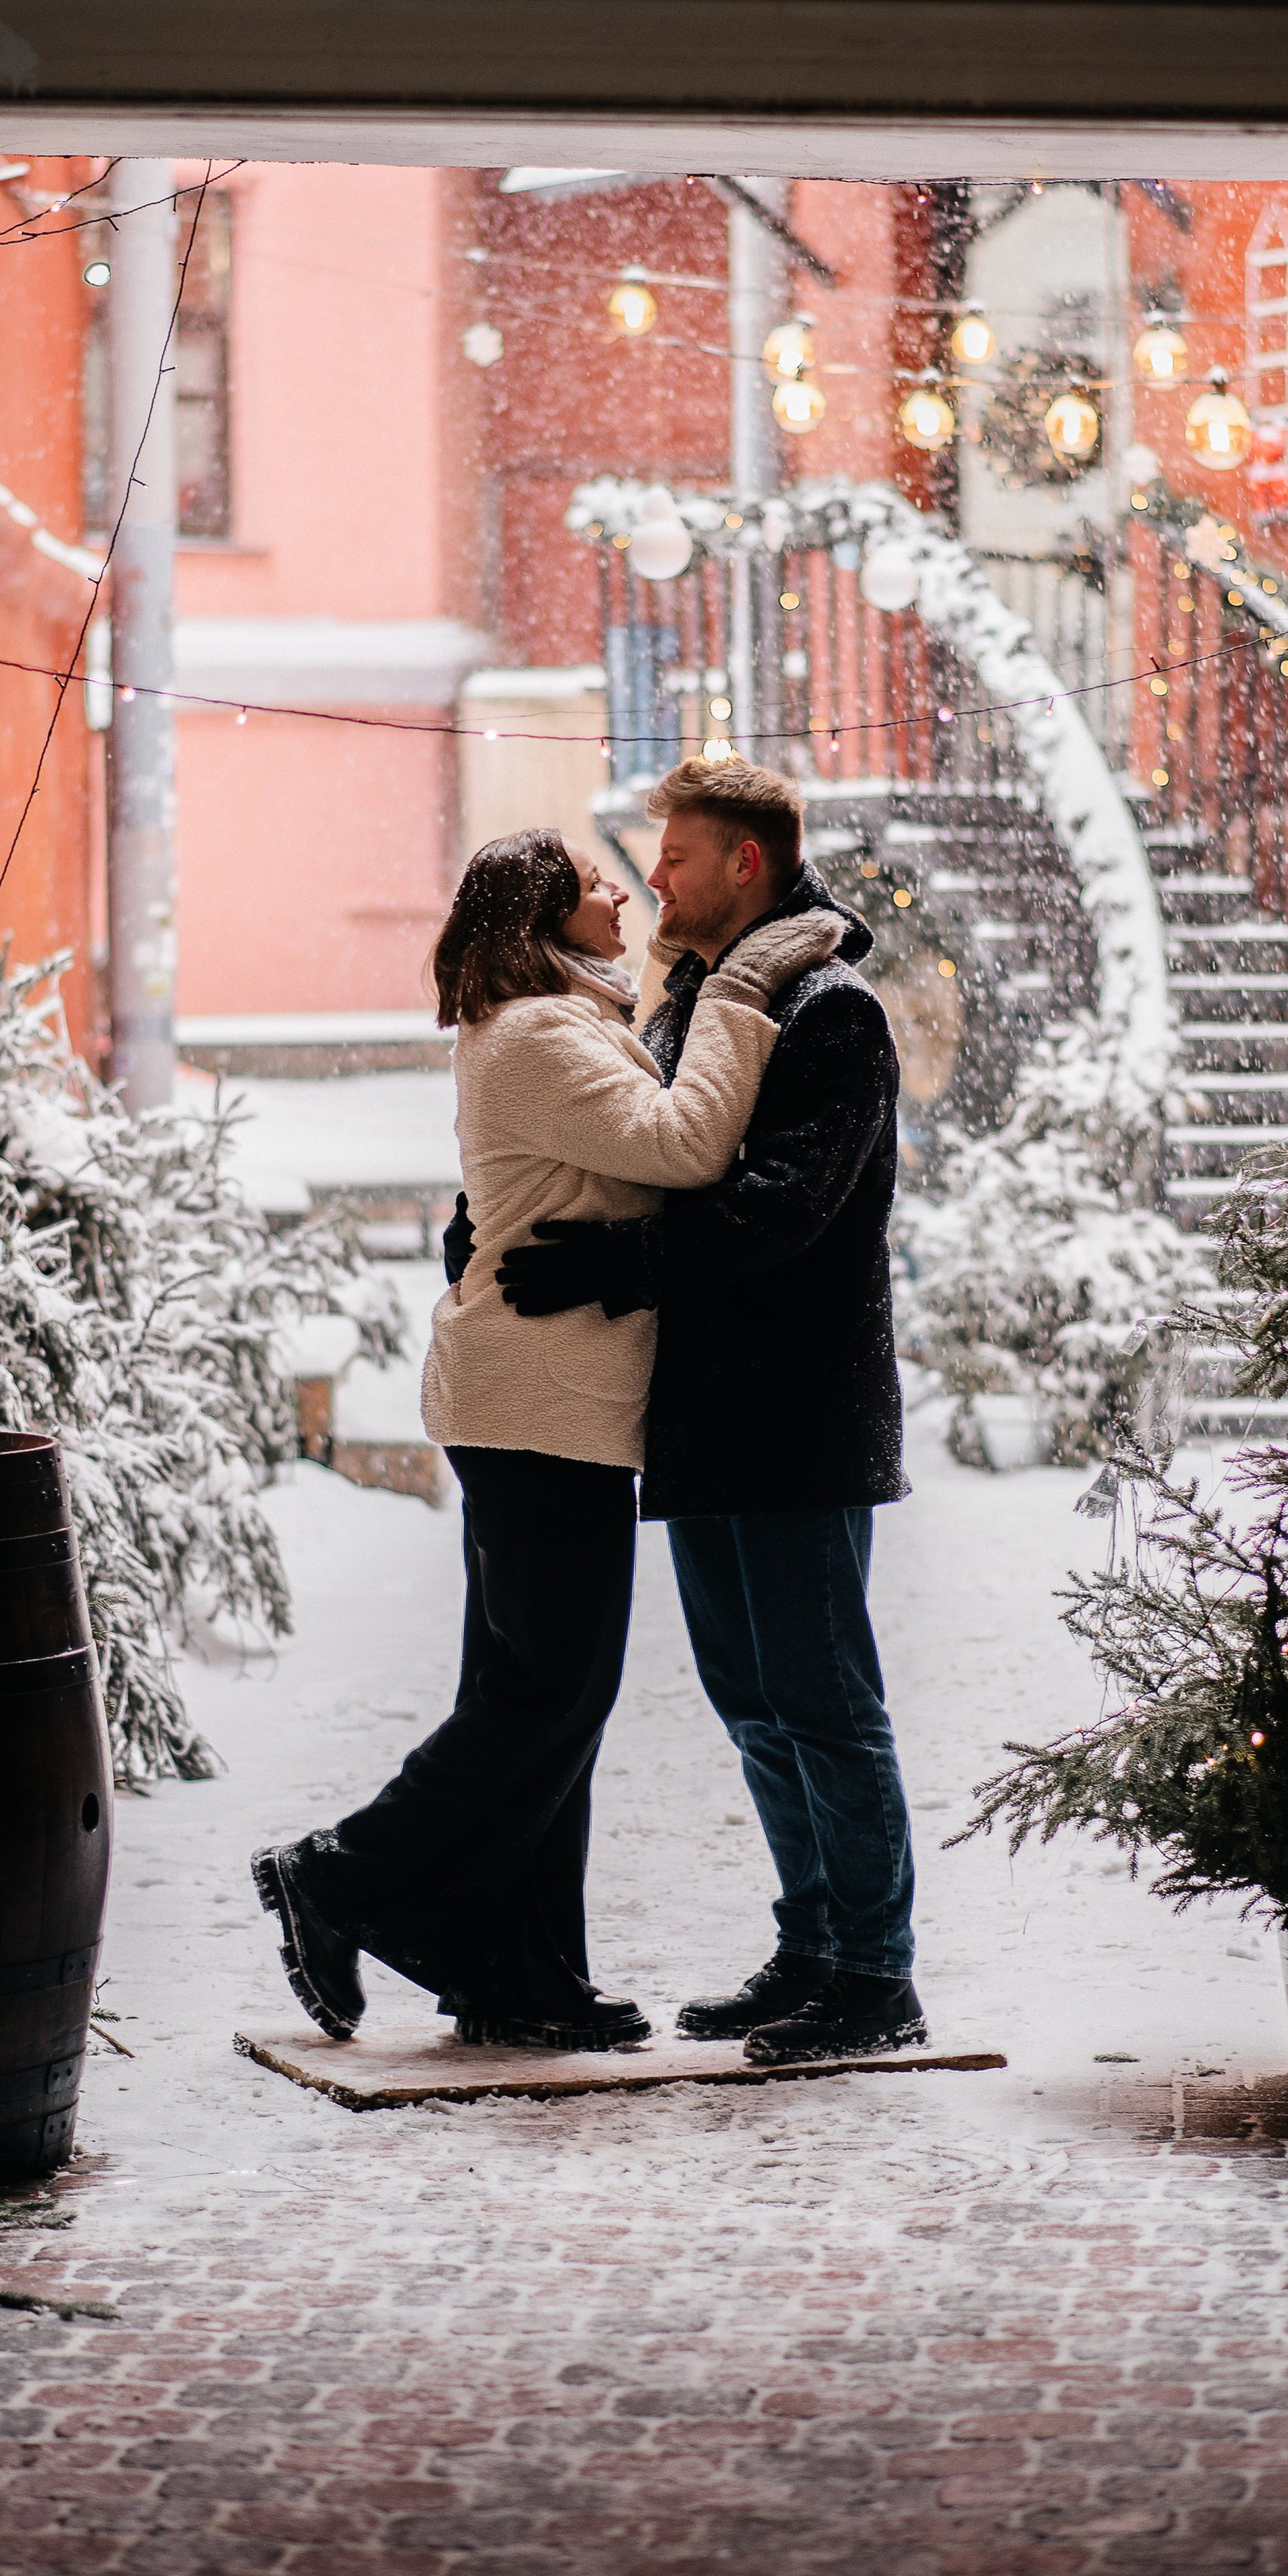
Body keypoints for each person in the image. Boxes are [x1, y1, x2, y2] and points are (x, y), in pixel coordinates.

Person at [253, 826, 843, 2054]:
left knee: (538, 1694)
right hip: (538, 1408)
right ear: (540, 917)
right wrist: (736, 992)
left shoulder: (557, 1023)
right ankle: (338, 1878)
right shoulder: (534, 1035)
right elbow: (686, 1144)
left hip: (549, 1402)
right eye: (590, 883)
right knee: (547, 1695)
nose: (618, 889)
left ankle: (520, 1973)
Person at [495, 756, 922, 2069]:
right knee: (752, 1696)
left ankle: (874, 1974)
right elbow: (655, 1159)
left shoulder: (832, 1014)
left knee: (823, 1696)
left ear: (747, 864)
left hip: (796, 1414)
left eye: (675, 856)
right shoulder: (708, 999)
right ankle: (811, 1946)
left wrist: (612, 1268)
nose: (652, 876)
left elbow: (780, 1210)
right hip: (704, 1412)